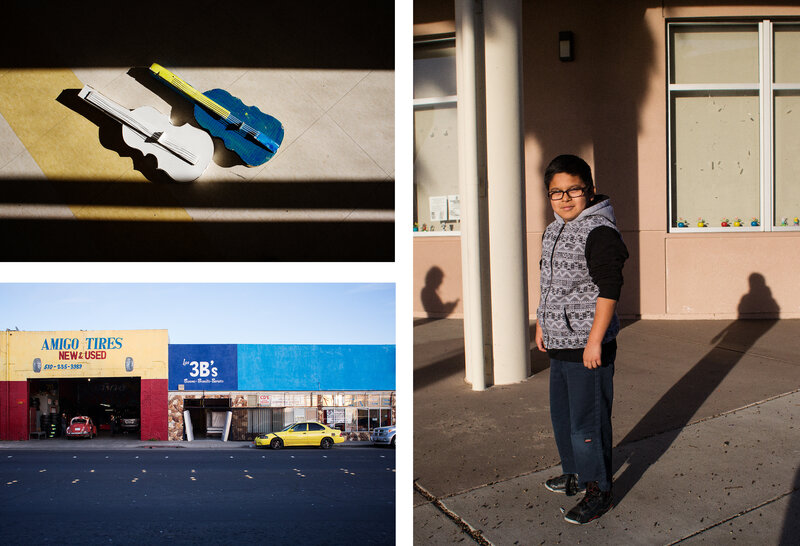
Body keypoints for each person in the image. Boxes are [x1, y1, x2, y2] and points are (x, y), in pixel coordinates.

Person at [535, 154, 628, 525]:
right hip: (559, 340)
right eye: (556, 192)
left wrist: (595, 340)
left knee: (587, 423)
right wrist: (542, 324)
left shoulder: (600, 231)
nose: (565, 198)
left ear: (589, 190)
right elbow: (549, 282)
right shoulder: (554, 228)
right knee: (564, 417)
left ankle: (599, 489)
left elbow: (610, 288)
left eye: (573, 189)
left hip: (588, 345)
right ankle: (574, 473)